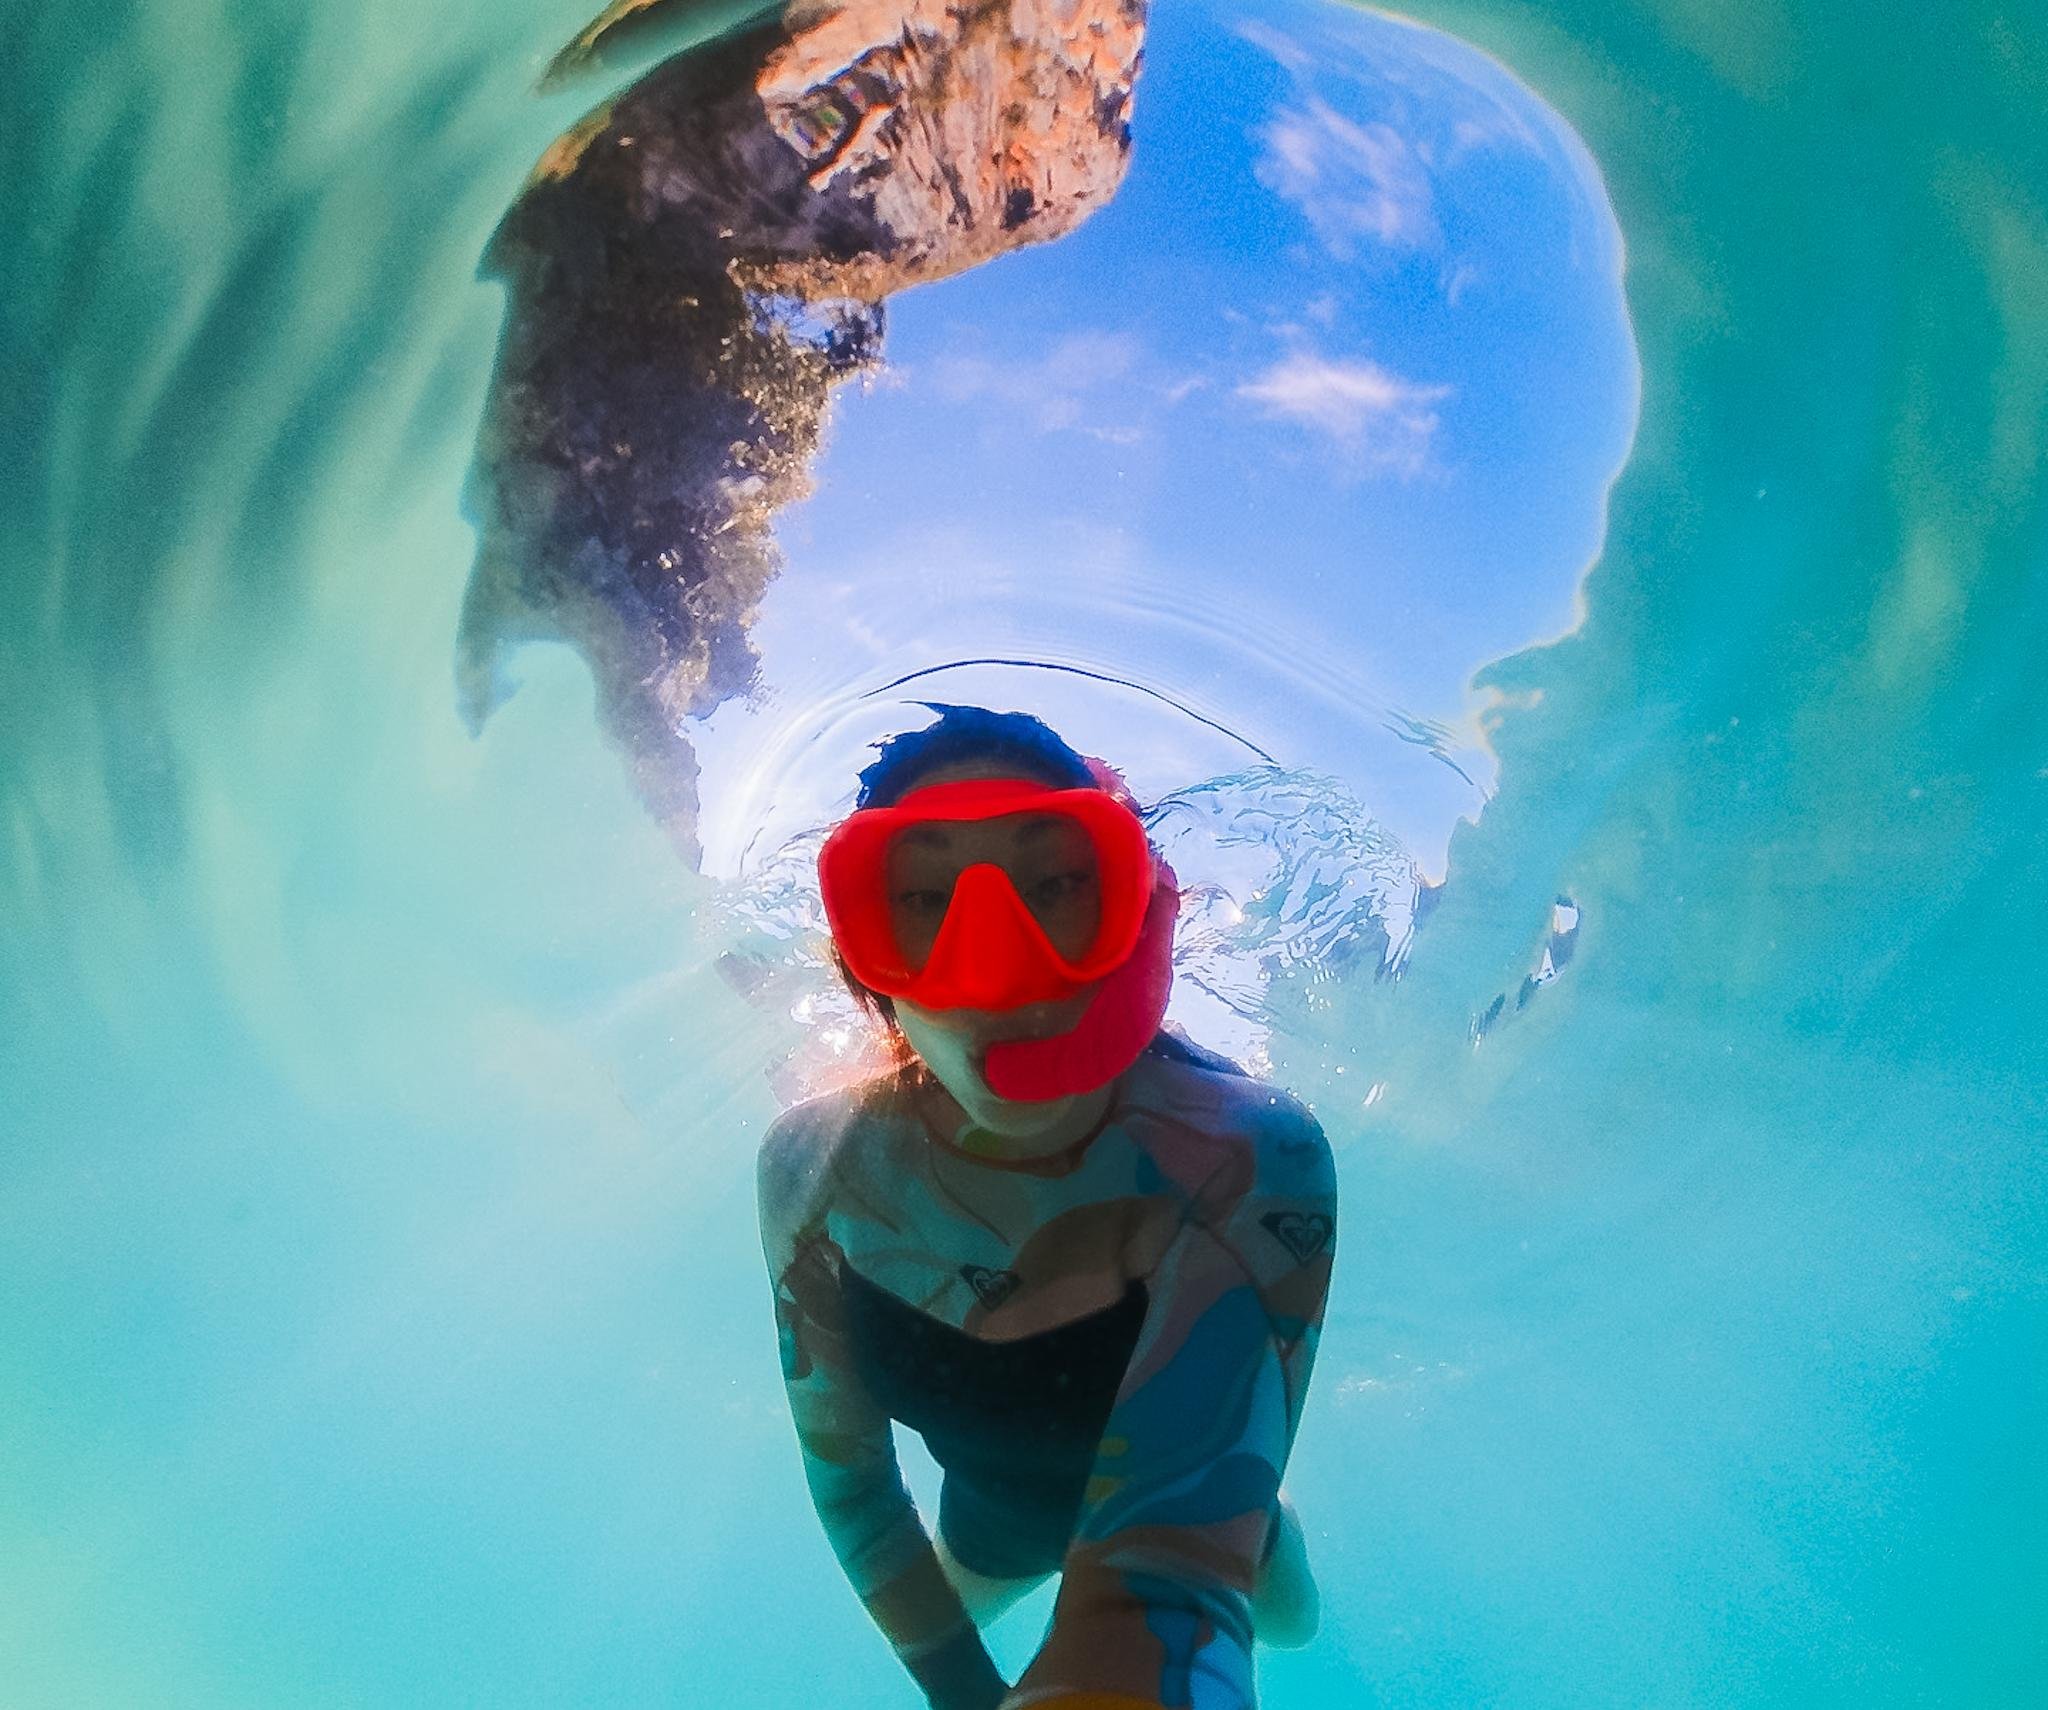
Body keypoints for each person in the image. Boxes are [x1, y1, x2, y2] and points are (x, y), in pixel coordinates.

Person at [756, 705, 1337, 1710]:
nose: (996, 968)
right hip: (989, 1532)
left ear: (1137, 918)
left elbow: (1172, 1587)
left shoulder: (1247, 1154)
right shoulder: (817, 1171)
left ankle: (1260, 1504)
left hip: (1199, 1508)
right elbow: (854, 1493)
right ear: (862, 961)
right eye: (924, 899)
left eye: (1060, 886)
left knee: (1294, 1623)